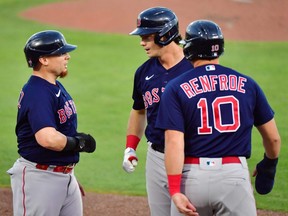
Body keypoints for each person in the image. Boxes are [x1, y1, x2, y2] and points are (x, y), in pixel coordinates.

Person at [156, 20, 281, 216]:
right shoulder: (248, 84)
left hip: (192, 179)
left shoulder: (175, 87)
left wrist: (175, 191)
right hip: (233, 179)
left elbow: (173, 142)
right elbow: (273, 138)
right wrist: (269, 164)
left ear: (190, 49)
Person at [7, 30, 96, 216]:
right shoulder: (37, 92)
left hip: (61, 175)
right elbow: (47, 138)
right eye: (62, 53)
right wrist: (77, 143)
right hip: (40, 179)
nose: (67, 57)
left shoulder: (52, 85)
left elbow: (59, 130)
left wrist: (66, 174)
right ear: (44, 60)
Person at [122, 6, 194, 216]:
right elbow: (138, 110)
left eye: (147, 37)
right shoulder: (143, 72)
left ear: (165, 35)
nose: (142, 43)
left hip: (189, 157)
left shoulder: (194, 66)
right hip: (155, 157)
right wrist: (130, 147)